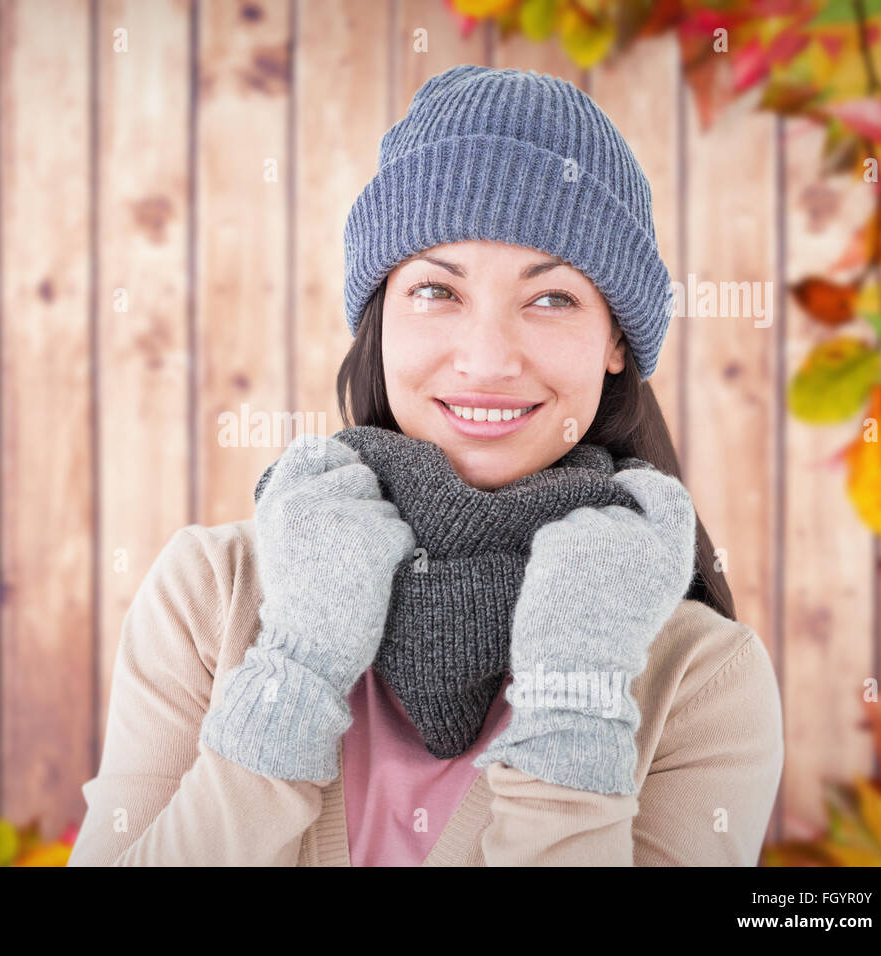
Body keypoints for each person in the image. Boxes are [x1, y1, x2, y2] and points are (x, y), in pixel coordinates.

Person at [67, 65, 783, 867]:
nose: (486, 359)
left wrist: (575, 698)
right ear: (380, 317)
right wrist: (296, 673)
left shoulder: (704, 678)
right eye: (437, 290)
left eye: (550, 299)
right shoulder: (213, 595)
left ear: (617, 341)